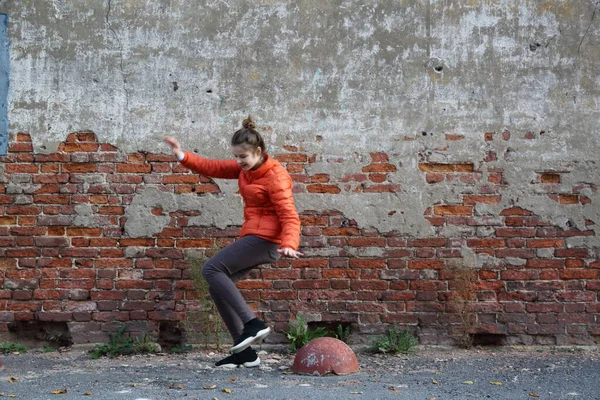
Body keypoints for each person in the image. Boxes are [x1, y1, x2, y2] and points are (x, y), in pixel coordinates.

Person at [163, 116, 303, 368]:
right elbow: (213, 167)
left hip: (266, 240)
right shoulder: (245, 169)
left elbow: (289, 214)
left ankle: (252, 323)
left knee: (211, 269)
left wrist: (290, 243)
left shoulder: (276, 177)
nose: (239, 162)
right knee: (217, 287)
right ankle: (245, 353)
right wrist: (182, 155)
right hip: (254, 236)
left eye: (243, 157)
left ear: (258, 152)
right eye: (236, 156)